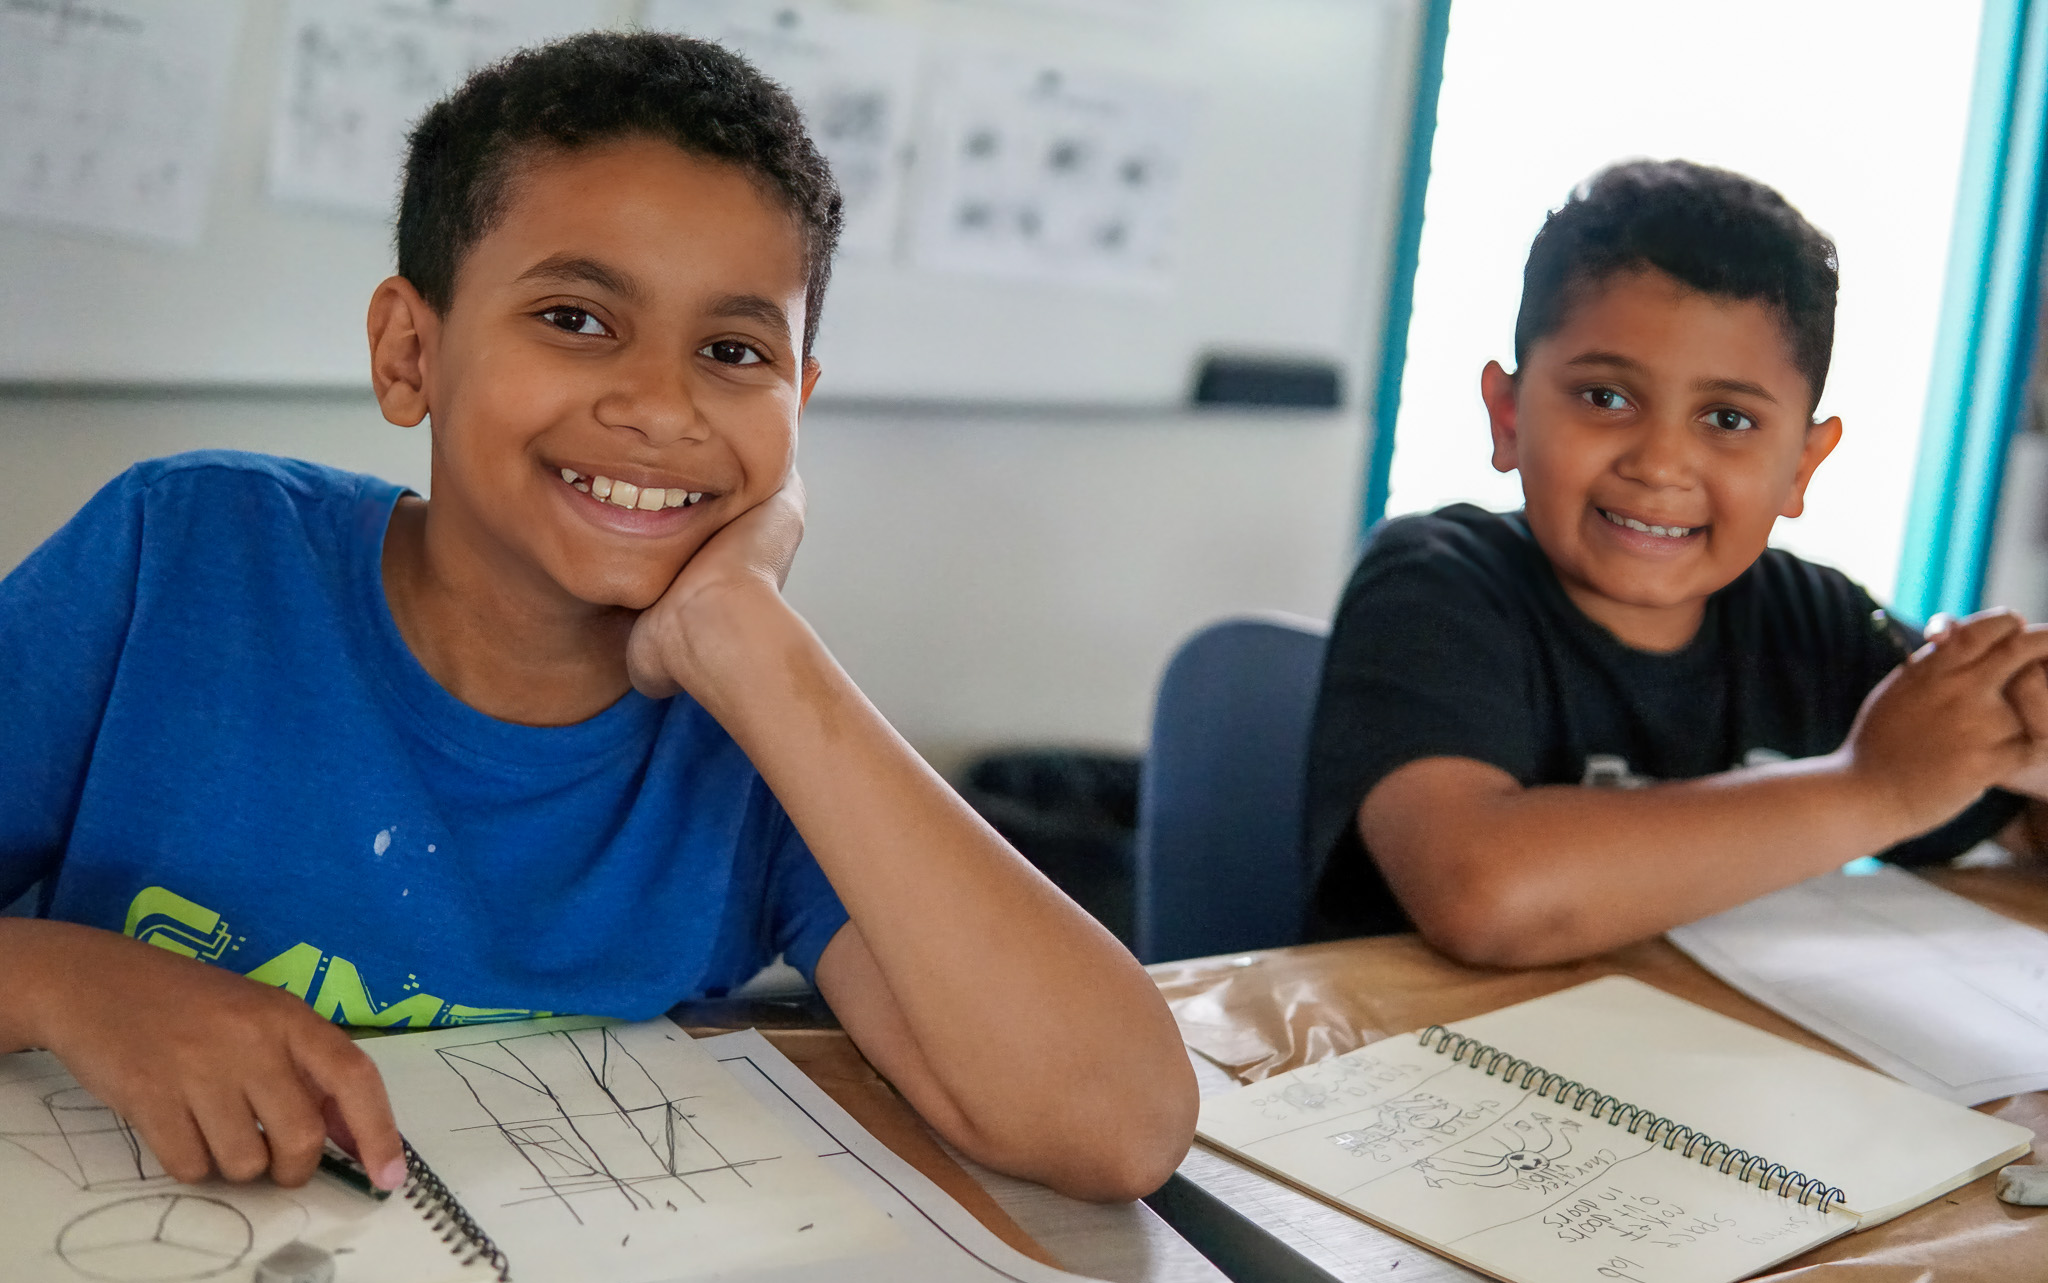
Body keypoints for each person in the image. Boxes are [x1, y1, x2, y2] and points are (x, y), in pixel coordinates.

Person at [0, 33, 1194, 1203]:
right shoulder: (187, 559)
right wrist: (65, 983)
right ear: (411, 350)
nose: (660, 407)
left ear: (798, 407)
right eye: (576, 319)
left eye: (733, 351)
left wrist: (748, 635)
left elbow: (1113, 1126)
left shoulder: (758, 731)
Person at [1303, 159, 2048, 968]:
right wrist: (1874, 787)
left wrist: (2018, 730)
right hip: (1413, 1071)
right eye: (1605, 398)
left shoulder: (1821, 625)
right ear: (1508, 415)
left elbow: (2012, 812)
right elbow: (1485, 895)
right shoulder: (1433, 583)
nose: (1660, 464)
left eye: (1727, 417)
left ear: (1801, 465)